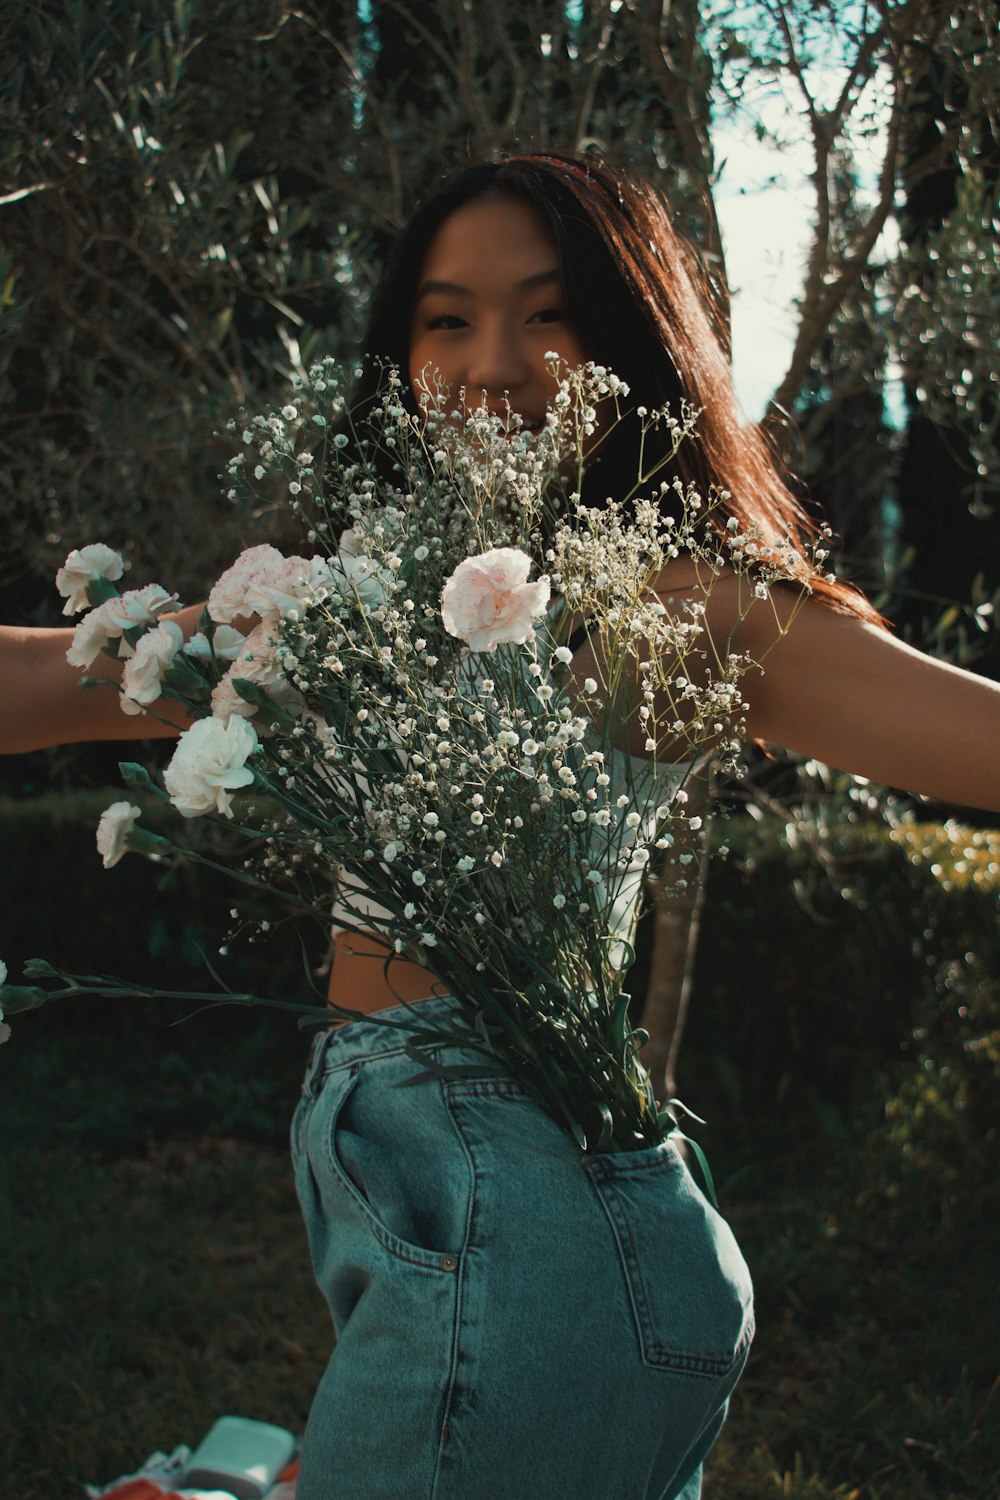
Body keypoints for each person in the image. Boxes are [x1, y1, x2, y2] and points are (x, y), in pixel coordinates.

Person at [1, 153, 998, 1500]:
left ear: (626, 341)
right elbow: (57, 674)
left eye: (549, 312)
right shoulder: (343, 592)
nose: (495, 360)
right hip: (495, 1237)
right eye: (447, 316)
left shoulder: (672, 601)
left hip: (533, 1261)